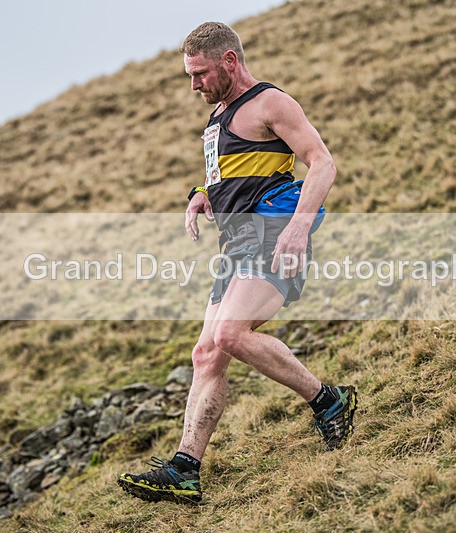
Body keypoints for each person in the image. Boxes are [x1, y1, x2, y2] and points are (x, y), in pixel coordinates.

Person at [117, 21, 357, 504]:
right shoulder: (214, 122)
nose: (194, 85)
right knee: (206, 354)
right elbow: (224, 174)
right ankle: (185, 467)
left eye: (201, 74)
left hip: (273, 233)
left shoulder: (271, 103)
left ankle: (328, 400)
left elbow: (322, 162)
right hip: (236, 245)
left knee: (230, 334)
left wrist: (297, 228)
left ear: (229, 60)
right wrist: (201, 196)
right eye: (190, 76)